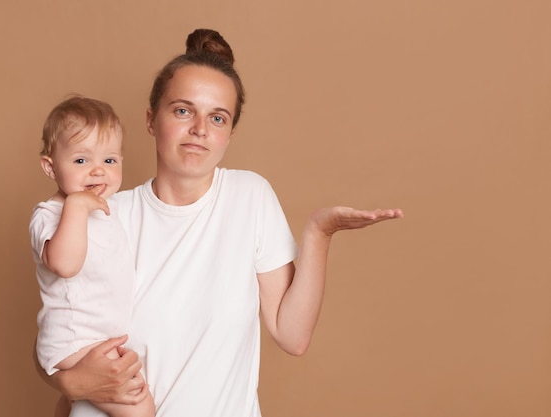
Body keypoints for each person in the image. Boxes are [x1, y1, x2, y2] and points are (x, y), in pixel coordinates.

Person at [37, 29, 403, 417]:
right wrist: (70, 382)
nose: (199, 129)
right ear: (150, 119)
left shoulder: (249, 197)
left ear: (229, 133)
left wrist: (319, 233)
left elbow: (292, 336)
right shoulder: (102, 212)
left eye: (217, 117)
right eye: (182, 110)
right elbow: (58, 327)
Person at [29, 96, 155, 417]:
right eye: (81, 161)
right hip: (75, 340)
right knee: (140, 408)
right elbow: (65, 264)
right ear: (50, 166)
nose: (98, 170)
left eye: (110, 161)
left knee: (80, 405)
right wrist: (77, 206)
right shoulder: (49, 214)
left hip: (97, 337)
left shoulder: (111, 212)